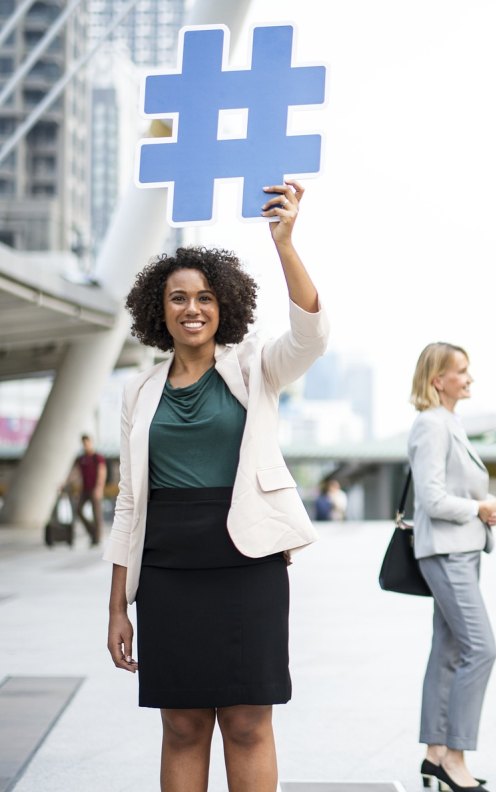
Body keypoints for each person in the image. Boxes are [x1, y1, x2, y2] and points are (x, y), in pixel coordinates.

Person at [103, 180, 329, 792]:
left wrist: (284, 243)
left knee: (250, 719)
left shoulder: (255, 366)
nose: (193, 309)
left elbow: (311, 336)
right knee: (181, 724)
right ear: (161, 309)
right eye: (178, 298)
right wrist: (117, 603)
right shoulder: (140, 392)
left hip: (246, 560)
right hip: (169, 569)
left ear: (223, 305)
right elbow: (129, 502)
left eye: (205, 297)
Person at [408, 342, 496, 792]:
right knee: (481, 649)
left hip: (459, 550)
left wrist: (481, 510)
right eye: (461, 371)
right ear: (437, 380)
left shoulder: (450, 422)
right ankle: (455, 758)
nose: (469, 378)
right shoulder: (431, 425)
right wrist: (479, 507)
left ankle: (433, 755)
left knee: (448, 650)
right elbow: (430, 499)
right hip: (446, 552)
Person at [70, 434, 107, 546]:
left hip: (95, 489)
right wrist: (65, 483)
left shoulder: (97, 457)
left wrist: (99, 488)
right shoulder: (81, 459)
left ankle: (97, 537)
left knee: (96, 514)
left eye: (87, 443)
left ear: (91, 442)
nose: (85, 445)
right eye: (83, 443)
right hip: (85, 490)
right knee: (78, 510)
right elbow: (75, 473)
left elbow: (102, 472)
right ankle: (92, 531)